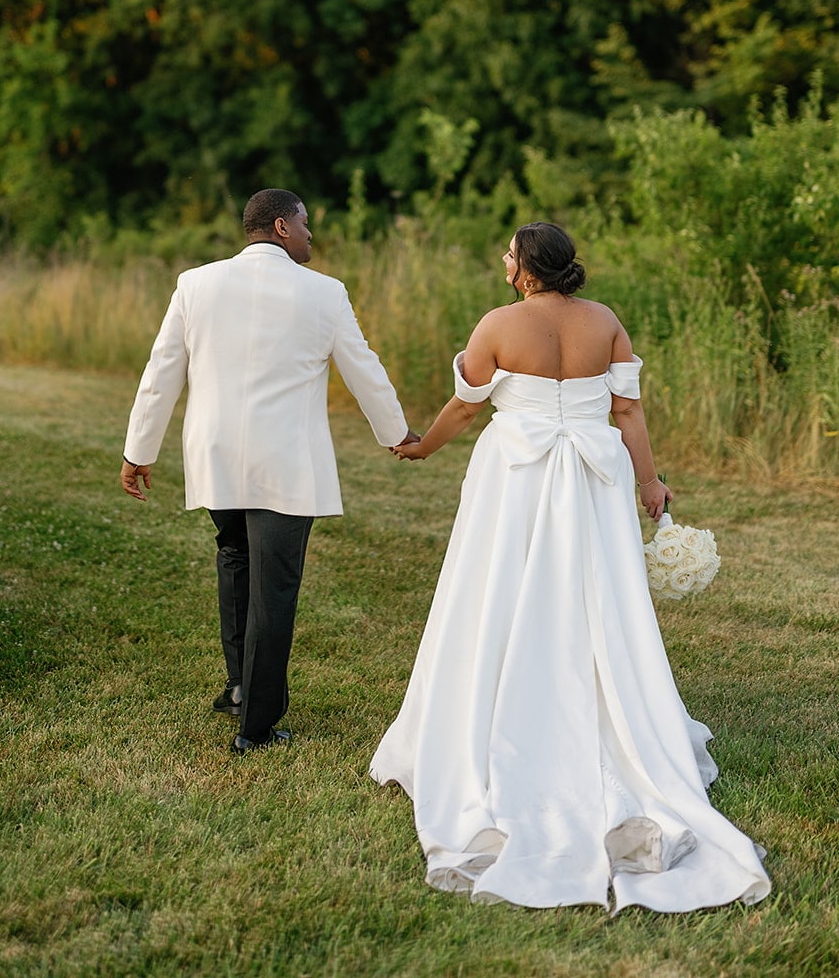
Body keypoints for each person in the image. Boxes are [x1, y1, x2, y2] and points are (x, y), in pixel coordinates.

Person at [372, 221, 770, 912]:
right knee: (596, 596)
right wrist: (650, 483)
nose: (502, 258)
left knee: (497, 589)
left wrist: (421, 448)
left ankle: (500, 712)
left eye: (508, 251)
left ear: (525, 269)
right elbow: (627, 411)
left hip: (517, 477)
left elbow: (465, 412)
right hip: (595, 476)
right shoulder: (603, 321)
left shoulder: (498, 323)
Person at [120, 188, 418, 753]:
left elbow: (162, 371)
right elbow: (364, 369)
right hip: (286, 462)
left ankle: (239, 686)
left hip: (216, 454)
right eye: (306, 225)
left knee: (234, 556)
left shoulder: (196, 283)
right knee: (274, 588)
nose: (312, 236)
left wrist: (140, 449)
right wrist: (397, 433)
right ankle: (255, 725)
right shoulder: (324, 293)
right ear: (281, 227)